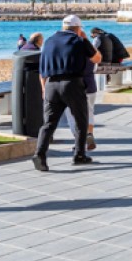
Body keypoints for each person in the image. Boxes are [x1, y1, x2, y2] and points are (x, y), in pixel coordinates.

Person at [33, 15, 99, 171]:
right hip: (72, 83)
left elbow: (42, 71)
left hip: (51, 84)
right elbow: (97, 58)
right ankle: (79, 154)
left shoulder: (48, 41)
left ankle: (39, 154)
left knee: (49, 123)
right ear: (78, 28)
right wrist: (84, 38)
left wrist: (44, 89)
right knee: (81, 120)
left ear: (63, 27)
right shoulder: (79, 41)